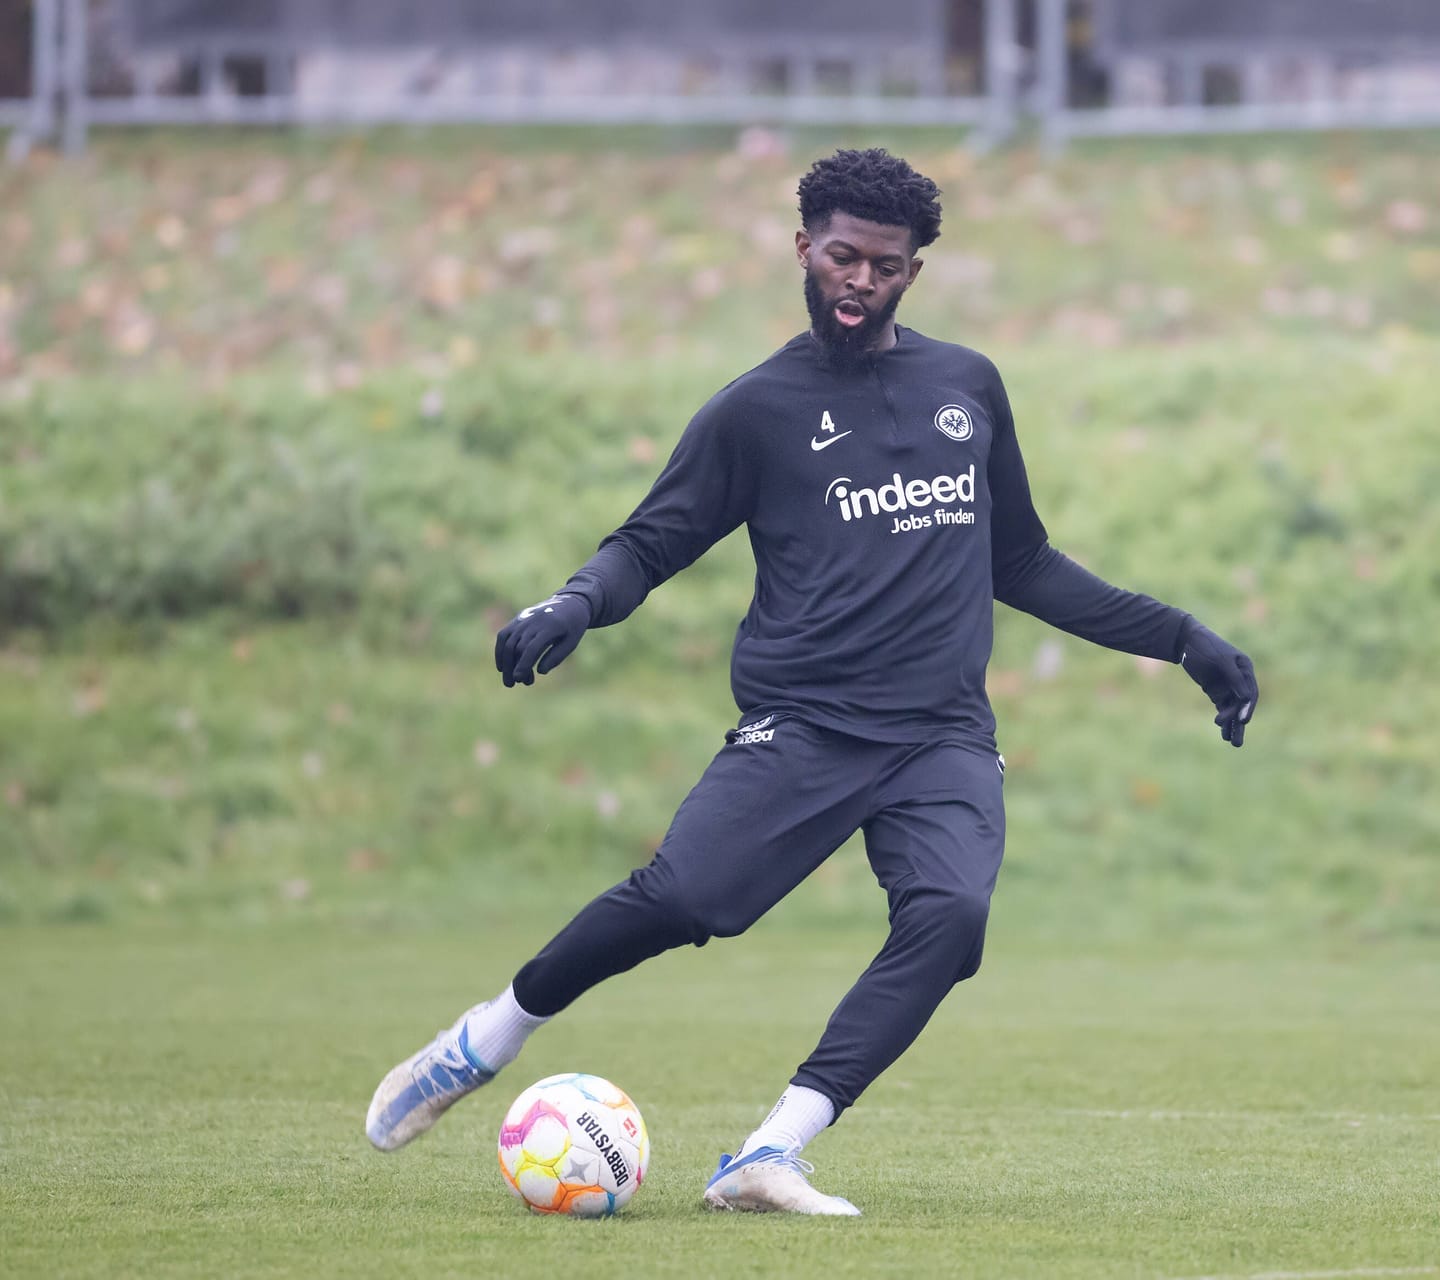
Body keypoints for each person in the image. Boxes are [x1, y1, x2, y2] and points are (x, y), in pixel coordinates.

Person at [364, 147, 1258, 1216]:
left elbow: (1017, 560)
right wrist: (571, 604)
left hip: (941, 737)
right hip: (804, 724)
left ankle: (769, 1152)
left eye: (885, 265)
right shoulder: (757, 411)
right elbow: (648, 543)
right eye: (842, 256)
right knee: (687, 899)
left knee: (952, 917)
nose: (860, 281)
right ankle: (485, 1036)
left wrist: (1182, 637)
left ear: (914, 272)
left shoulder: (966, 386)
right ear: (803, 249)